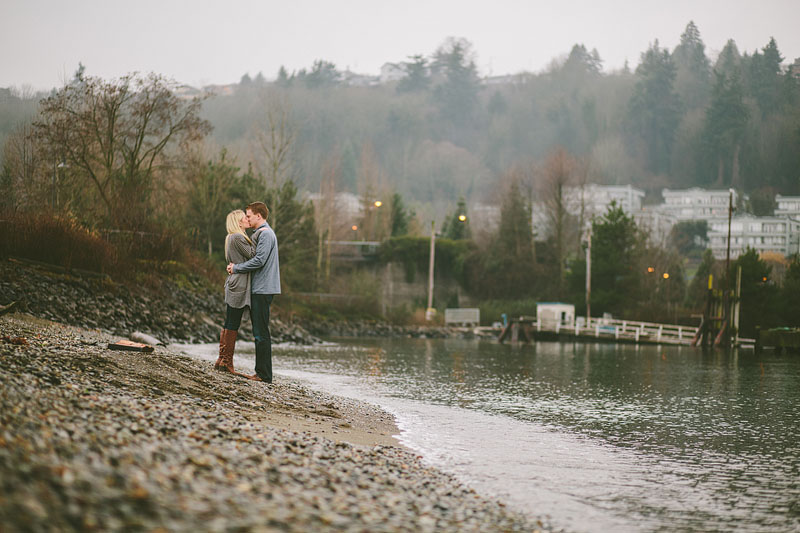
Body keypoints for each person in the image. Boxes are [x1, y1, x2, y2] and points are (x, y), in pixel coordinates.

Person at [227, 201, 280, 383]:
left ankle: (264, 375)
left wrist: (236, 268)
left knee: (260, 332)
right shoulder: (262, 233)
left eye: (249, 215)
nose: (246, 219)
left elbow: (259, 260)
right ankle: (262, 373)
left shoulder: (265, 234)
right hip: (261, 288)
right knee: (260, 331)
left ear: (259, 216)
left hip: (262, 289)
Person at [215, 209, 254, 375]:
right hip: (239, 284)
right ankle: (227, 362)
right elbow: (254, 255)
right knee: (233, 322)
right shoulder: (238, 237)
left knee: (229, 320)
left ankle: (221, 359)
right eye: (244, 218)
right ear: (238, 222)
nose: (247, 219)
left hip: (233, 282)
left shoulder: (229, 238)